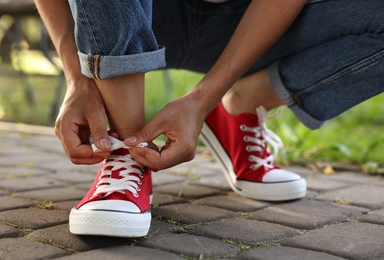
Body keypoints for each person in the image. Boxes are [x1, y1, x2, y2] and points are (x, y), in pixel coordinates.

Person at [34, 0, 384, 238]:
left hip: (249, 20)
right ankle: (127, 149)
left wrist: (204, 99)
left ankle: (240, 105)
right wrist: (77, 78)